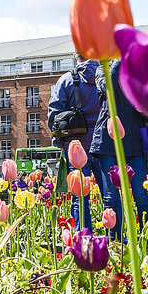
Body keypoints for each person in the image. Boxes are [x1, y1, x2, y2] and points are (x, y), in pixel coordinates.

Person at [90, 59, 148, 240]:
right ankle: (115, 240)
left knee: (141, 193)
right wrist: (117, 64)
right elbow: (105, 89)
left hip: (135, 141)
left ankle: (147, 239)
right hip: (108, 141)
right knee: (111, 196)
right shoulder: (103, 69)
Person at [48, 55, 101, 229]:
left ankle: (83, 236)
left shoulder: (66, 80)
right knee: (110, 194)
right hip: (104, 144)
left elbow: (54, 115)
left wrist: (61, 142)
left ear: (74, 56)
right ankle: (116, 239)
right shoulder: (107, 78)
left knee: (79, 195)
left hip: (76, 146)